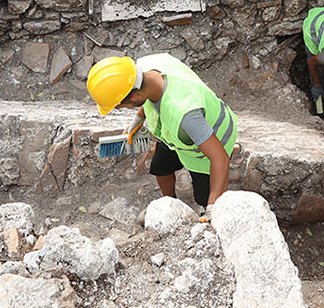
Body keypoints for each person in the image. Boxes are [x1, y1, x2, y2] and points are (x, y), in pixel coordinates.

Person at [86, 53, 237, 210]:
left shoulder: (185, 115)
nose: (121, 109)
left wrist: (213, 209)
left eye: (121, 106)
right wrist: (138, 119)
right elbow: (146, 98)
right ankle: (170, 204)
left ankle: (208, 208)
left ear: (136, 96)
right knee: (160, 166)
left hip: (210, 142)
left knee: (204, 198)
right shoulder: (146, 66)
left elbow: (220, 159)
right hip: (174, 135)